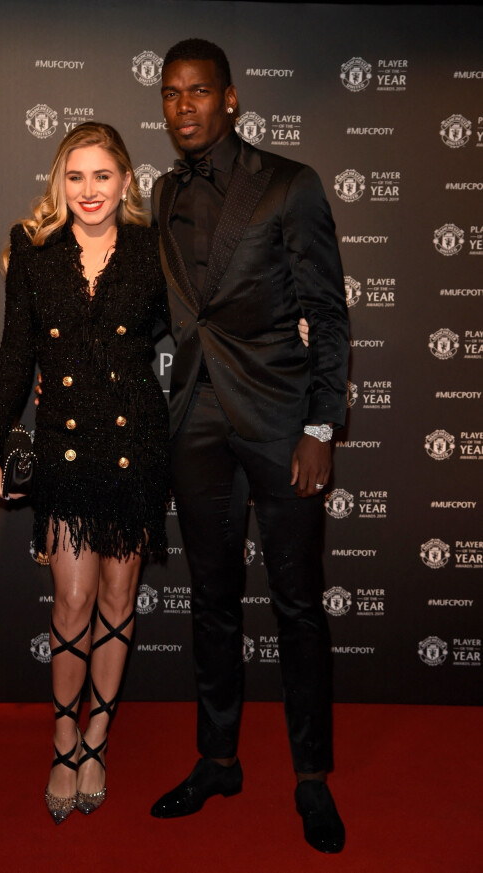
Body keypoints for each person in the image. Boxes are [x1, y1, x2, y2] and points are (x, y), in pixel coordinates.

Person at [149, 40, 349, 854]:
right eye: (170, 94)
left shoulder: (289, 185)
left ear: (231, 99)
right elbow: (168, 311)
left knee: (298, 604)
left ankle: (311, 775)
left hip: (279, 423)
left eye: (199, 92)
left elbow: (328, 313)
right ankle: (218, 756)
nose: (184, 107)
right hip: (195, 421)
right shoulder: (162, 191)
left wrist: (320, 425)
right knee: (211, 601)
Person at [0, 122, 170, 825]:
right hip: (65, 451)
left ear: (125, 182)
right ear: (61, 182)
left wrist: (284, 335)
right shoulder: (34, 254)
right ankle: (62, 735)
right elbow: (12, 358)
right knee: (73, 603)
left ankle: (97, 735)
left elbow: (207, 328)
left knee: (120, 599)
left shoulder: (153, 251)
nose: (90, 191)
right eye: (76, 176)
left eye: (103, 176)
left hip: (136, 446)